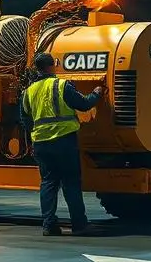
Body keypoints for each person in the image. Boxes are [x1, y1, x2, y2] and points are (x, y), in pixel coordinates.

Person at [19, 52, 104, 236]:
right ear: (53, 66)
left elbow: (24, 119)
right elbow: (83, 104)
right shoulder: (61, 85)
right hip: (64, 141)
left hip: (41, 143)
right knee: (71, 182)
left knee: (48, 183)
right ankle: (79, 224)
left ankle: (49, 225)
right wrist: (96, 94)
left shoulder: (28, 91)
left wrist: (34, 136)